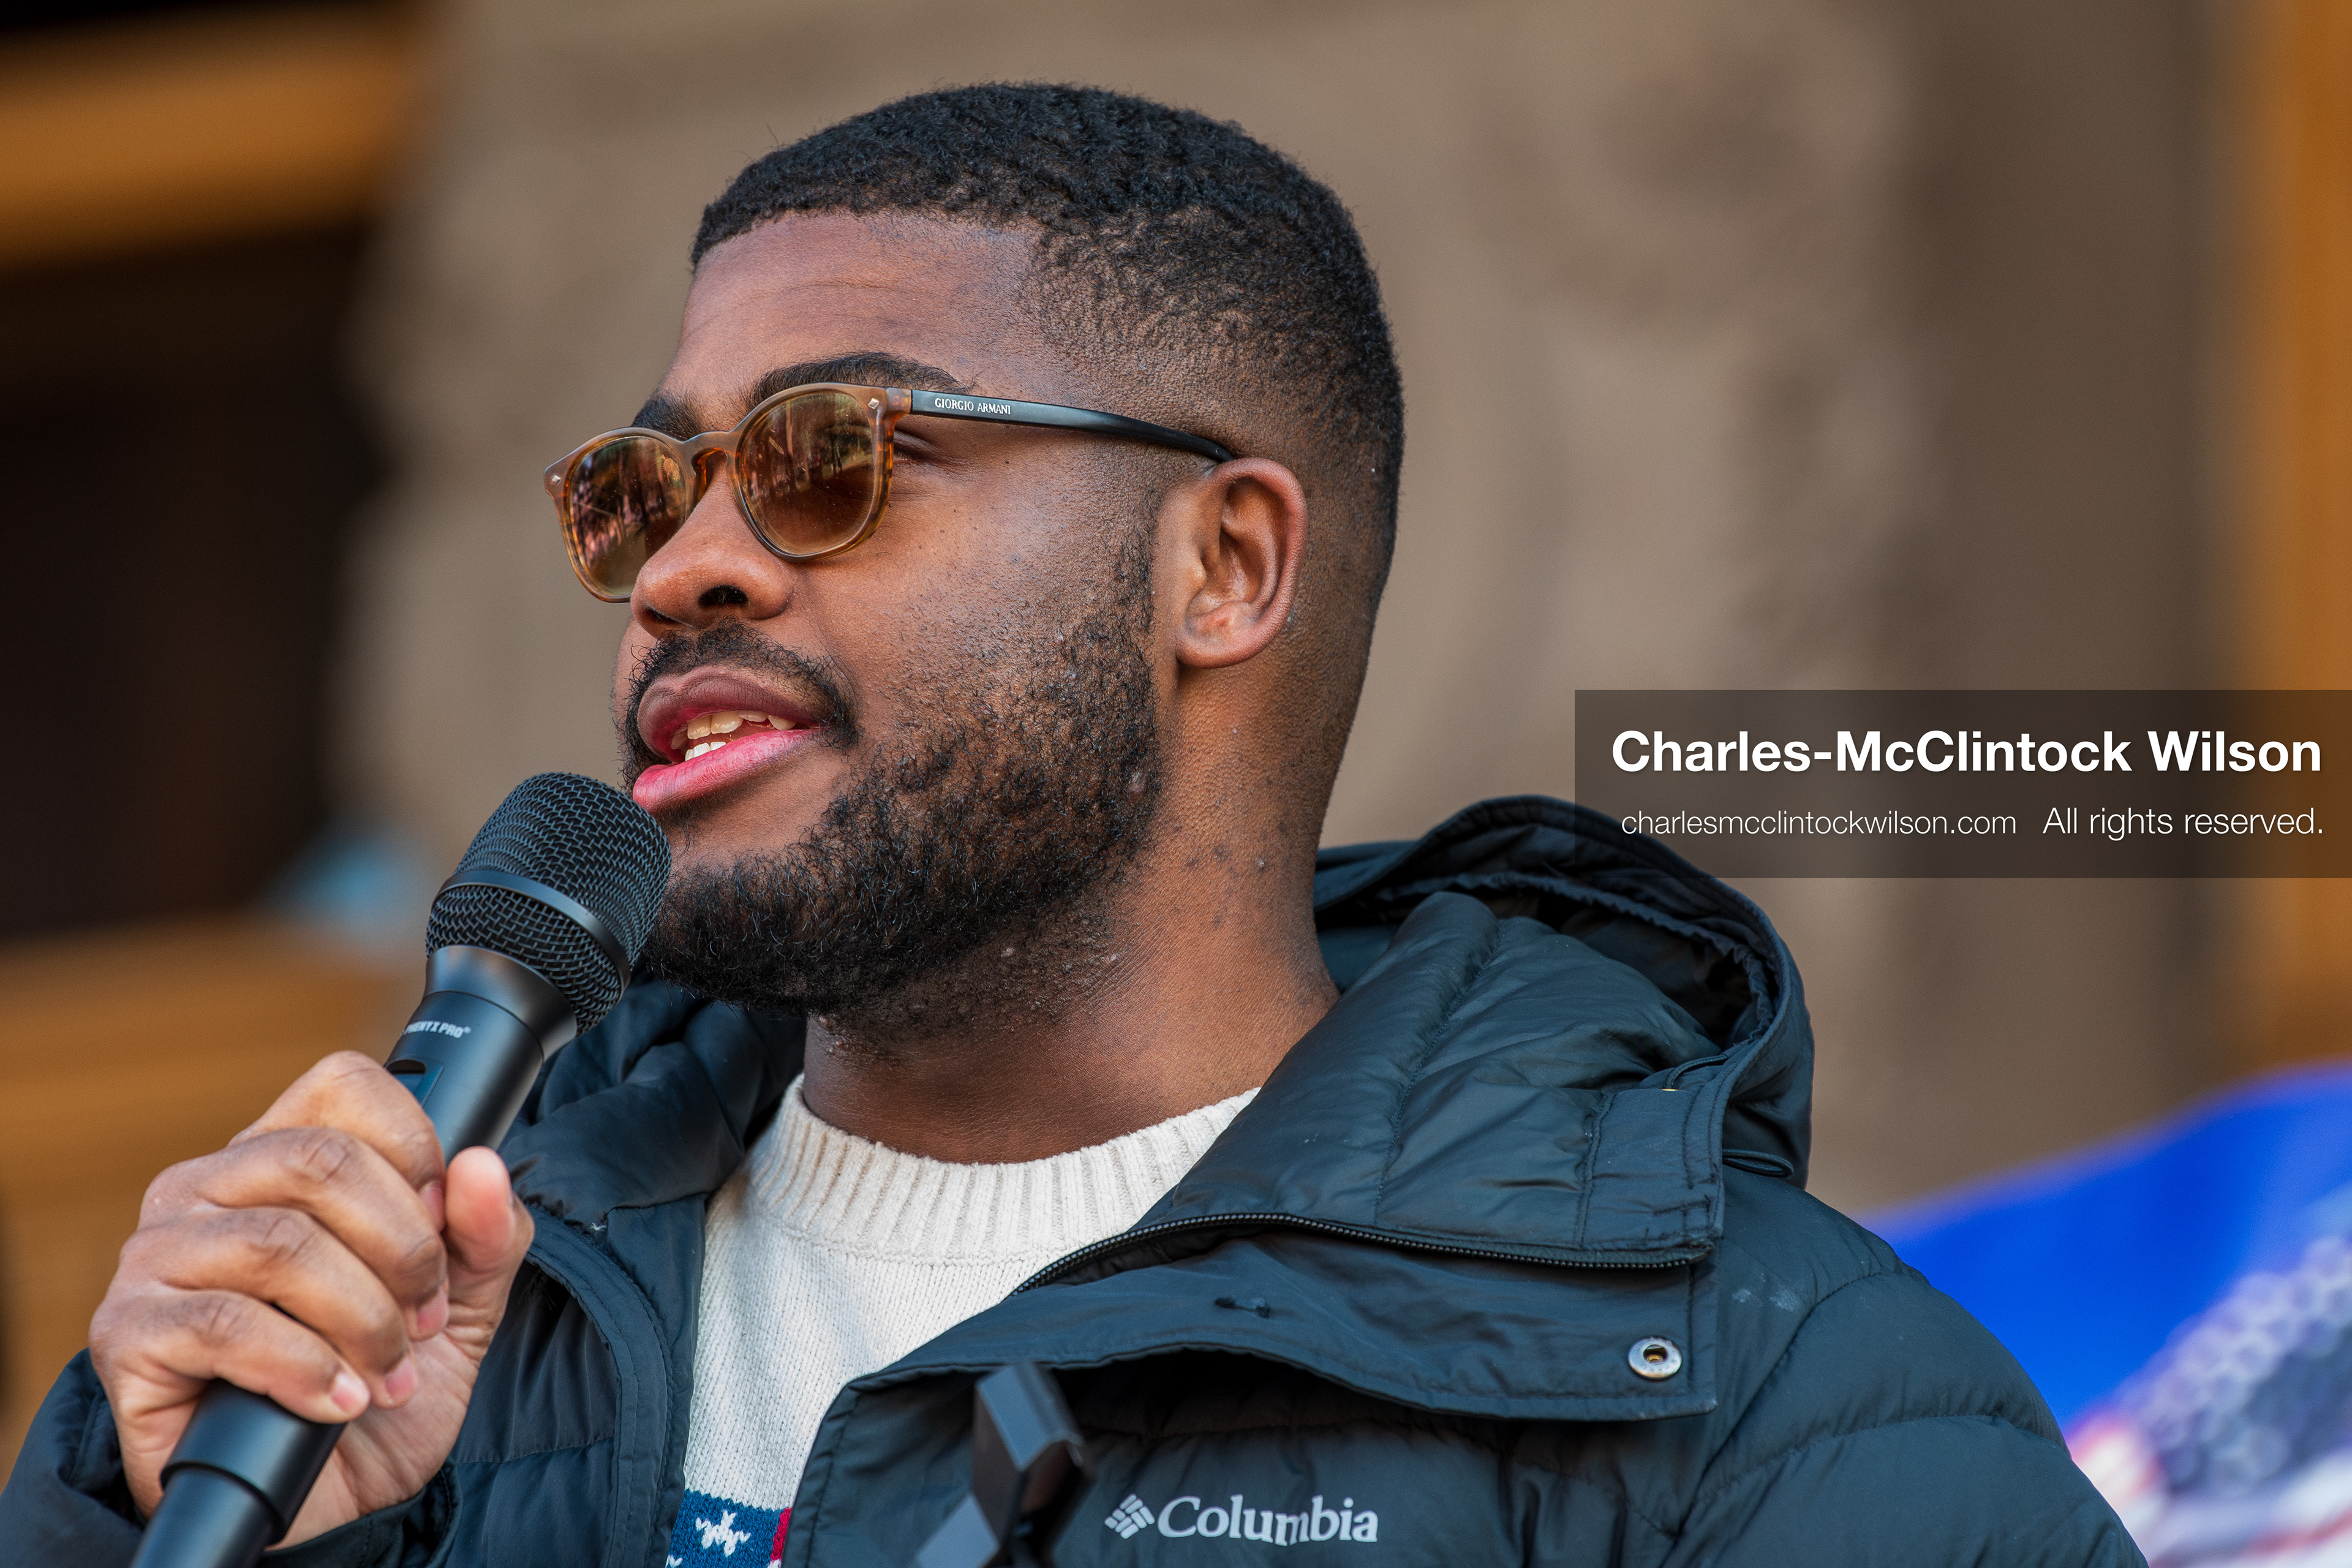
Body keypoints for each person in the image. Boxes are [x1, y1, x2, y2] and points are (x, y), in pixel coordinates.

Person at [1, 86, 2139, 1566]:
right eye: (643, 493)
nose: (687, 568)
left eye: (836, 457)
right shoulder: (388, 1351)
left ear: (1220, 569)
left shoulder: (1764, 1414)